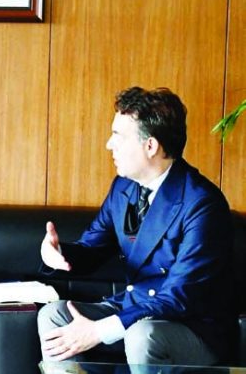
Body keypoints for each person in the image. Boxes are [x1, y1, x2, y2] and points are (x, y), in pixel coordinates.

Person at [37, 87, 235, 367]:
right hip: (135, 310)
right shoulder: (124, 186)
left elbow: (179, 297)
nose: (109, 144)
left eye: (118, 135)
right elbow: (92, 249)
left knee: (143, 335)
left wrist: (99, 331)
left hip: (191, 326)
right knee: (54, 316)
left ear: (150, 146)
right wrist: (56, 254)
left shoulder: (203, 204)